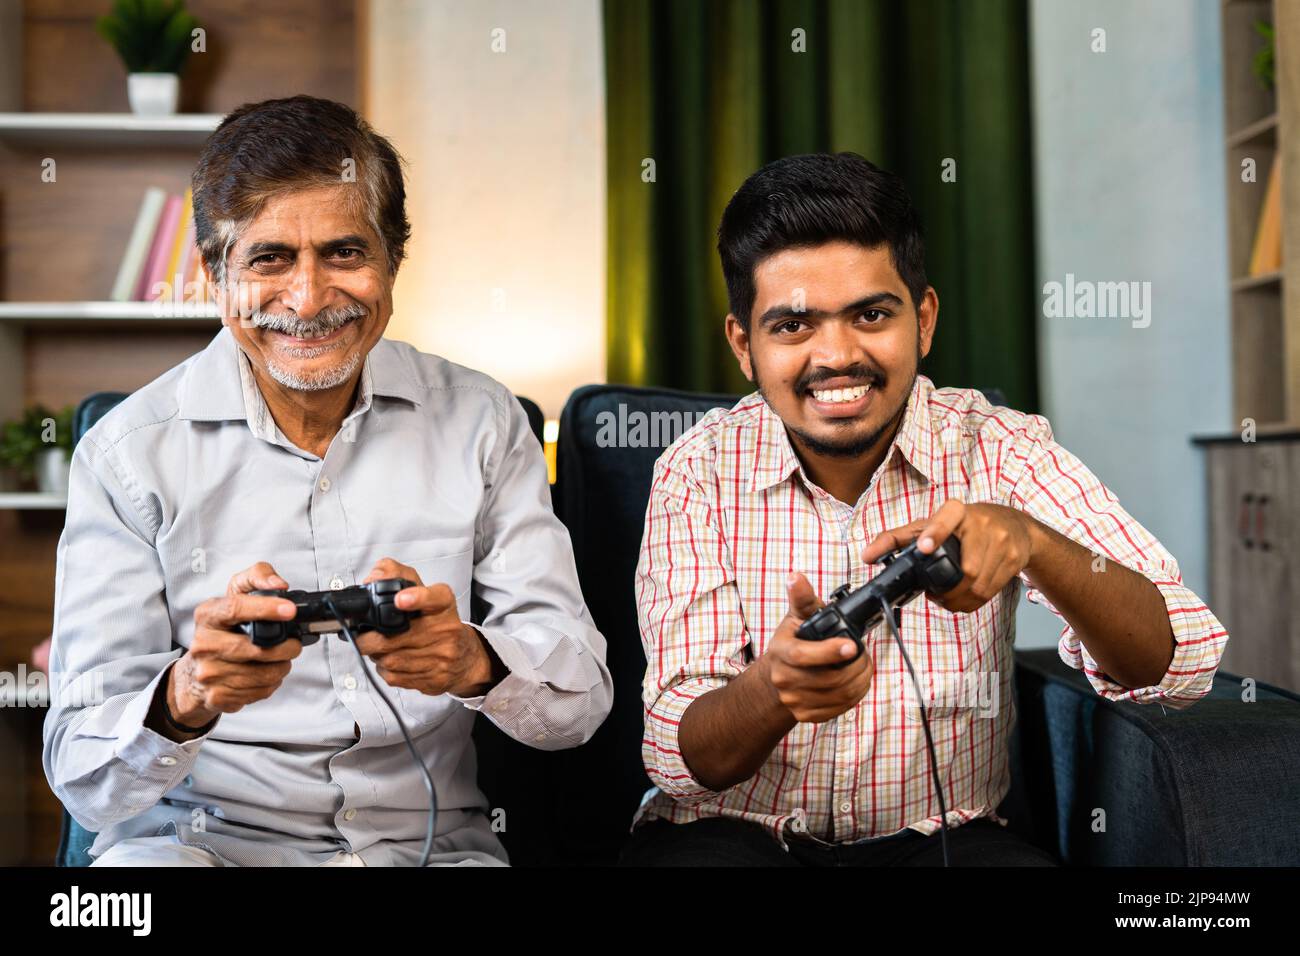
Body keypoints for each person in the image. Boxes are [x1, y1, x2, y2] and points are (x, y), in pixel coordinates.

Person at [43, 95, 612, 867]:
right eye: (269, 259)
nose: (308, 300)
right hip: (197, 849)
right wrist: (186, 697)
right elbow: (82, 777)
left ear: (393, 262)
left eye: (345, 253)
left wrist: (473, 662)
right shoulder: (124, 456)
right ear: (215, 275)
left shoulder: (484, 423)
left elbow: (582, 704)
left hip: (429, 850)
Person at [625, 152, 1227, 866]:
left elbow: (1180, 661)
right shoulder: (695, 472)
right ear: (744, 346)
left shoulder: (1002, 448)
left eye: (871, 315)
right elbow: (677, 758)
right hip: (733, 835)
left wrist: (1033, 541)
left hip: (944, 839)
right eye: (793, 326)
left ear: (925, 320)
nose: (836, 356)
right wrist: (771, 692)